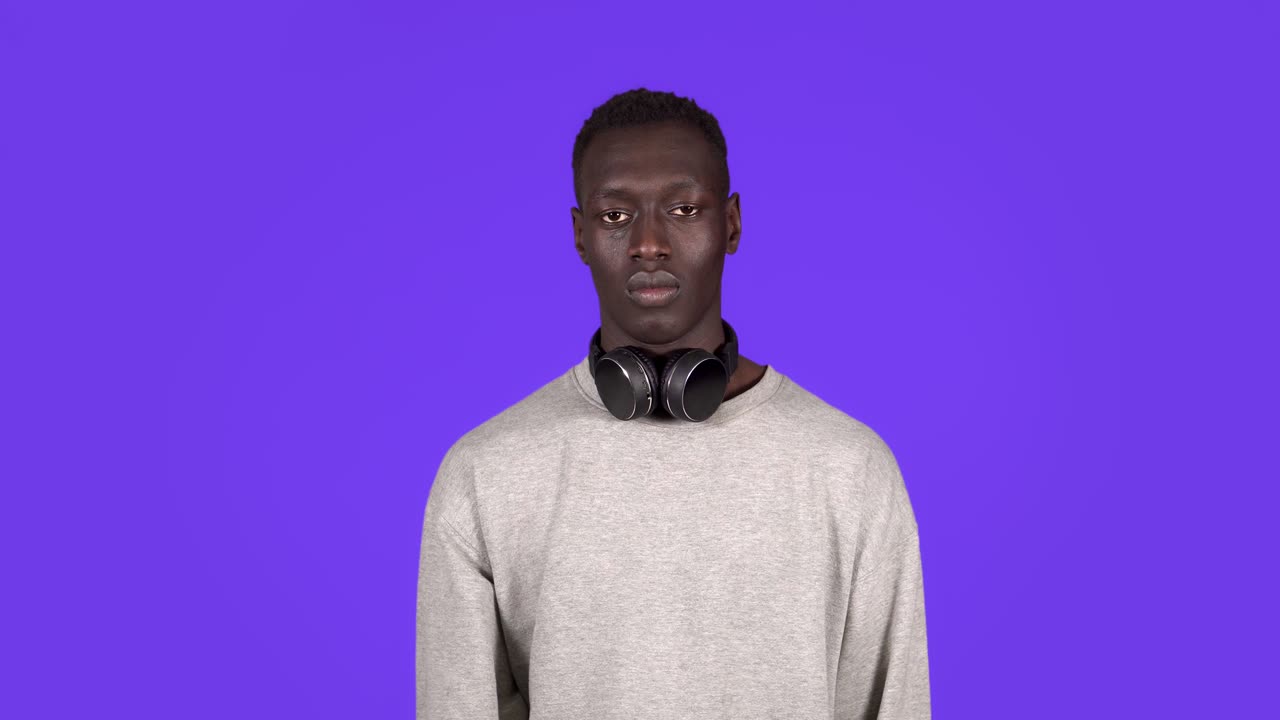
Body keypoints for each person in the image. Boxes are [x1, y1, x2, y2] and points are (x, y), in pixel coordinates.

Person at [416, 88, 931, 719]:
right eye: (615, 216)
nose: (650, 243)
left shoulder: (850, 469)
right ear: (578, 235)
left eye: (685, 209)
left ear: (733, 223)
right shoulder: (484, 473)